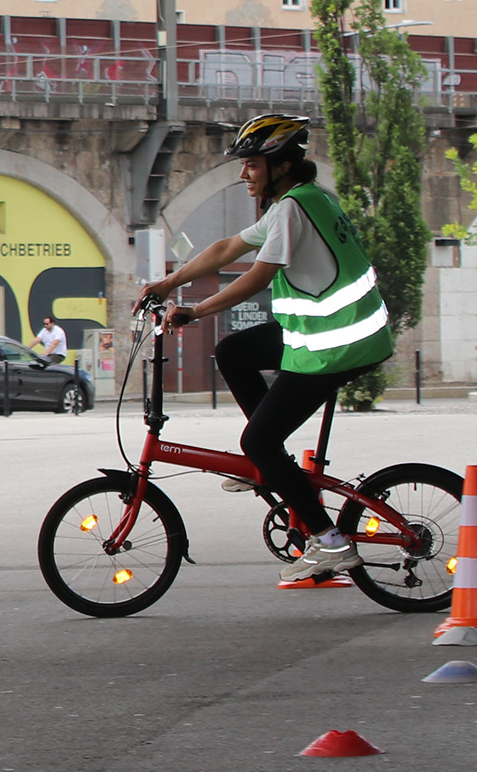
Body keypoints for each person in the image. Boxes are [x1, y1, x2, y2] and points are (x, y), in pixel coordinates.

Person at [142, 112, 394, 581]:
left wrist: (194, 311)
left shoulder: (294, 208)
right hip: (335, 333)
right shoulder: (302, 202)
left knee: (257, 440)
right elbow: (225, 248)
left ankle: (329, 541)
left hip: (336, 345)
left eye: (252, 165)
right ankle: (271, 466)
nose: (243, 174)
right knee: (234, 352)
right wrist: (169, 280)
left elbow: (259, 274)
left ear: (281, 165)